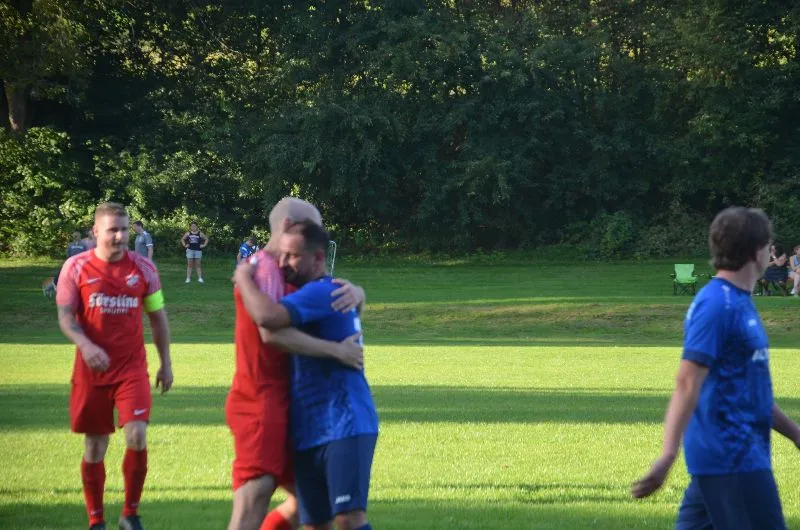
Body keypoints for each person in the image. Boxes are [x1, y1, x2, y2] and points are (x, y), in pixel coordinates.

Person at [632, 207, 800, 529]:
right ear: (755, 251)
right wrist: (668, 454)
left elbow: (750, 392)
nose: (770, 253)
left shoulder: (739, 302)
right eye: (769, 246)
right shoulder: (717, 304)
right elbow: (687, 381)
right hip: (733, 458)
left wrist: (795, 434)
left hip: (730, 458)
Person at [226, 197, 367, 530]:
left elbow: (327, 298)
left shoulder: (292, 271)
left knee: (308, 504)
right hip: (260, 400)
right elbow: (269, 330)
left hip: (298, 406)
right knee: (255, 495)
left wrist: (358, 292)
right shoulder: (263, 269)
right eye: (311, 227)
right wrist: (336, 351)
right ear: (288, 226)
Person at [56, 202, 173, 530]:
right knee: (95, 445)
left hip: (131, 368)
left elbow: (158, 318)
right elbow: (65, 318)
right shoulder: (75, 268)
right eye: (112, 230)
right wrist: (86, 345)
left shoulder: (144, 269)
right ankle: (96, 520)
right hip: (91, 370)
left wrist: (166, 364)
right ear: (96, 231)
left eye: (124, 229)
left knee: (137, 434)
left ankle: (130, 515)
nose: (120, 236)